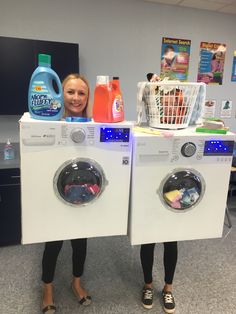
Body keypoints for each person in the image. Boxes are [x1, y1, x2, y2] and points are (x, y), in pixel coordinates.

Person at [41, 74, 92, 314]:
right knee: (53, 243)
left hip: (82, 193)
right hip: (55, 192)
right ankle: (47, 288)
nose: (76, 98)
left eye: (82, 93)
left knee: (80, 243)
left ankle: (76, 282)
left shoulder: (92, 125)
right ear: (61, 95)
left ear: (88, 97)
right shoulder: (50, 123)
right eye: (70, 92)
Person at [139, 74, 178, 314]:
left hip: (174, 192)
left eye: (174, 98)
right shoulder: (147, 125)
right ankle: (147, 285)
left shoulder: (186, 125)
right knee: (148, 241)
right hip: (149, 190)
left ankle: (168, 287)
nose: (170, 103)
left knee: (171, 241)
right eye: (165, 98)